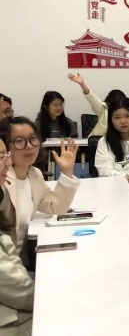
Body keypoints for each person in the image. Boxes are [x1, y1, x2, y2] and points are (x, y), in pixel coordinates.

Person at [0, 117, 79, 256]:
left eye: (33, 139)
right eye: (19, 141)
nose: (29, 146)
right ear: (5, 147)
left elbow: (55, 207)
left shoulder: (34, 174)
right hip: (7, 261)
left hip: (20, 257)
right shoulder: (3, 181)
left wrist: (67, 171)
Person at [0, 143, 35, 335]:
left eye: (5, 155)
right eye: (0, 157)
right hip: (9, 318)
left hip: (16, 286)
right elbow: (12, 286)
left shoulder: (2, 193)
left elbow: (9, 252)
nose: (8, 163)